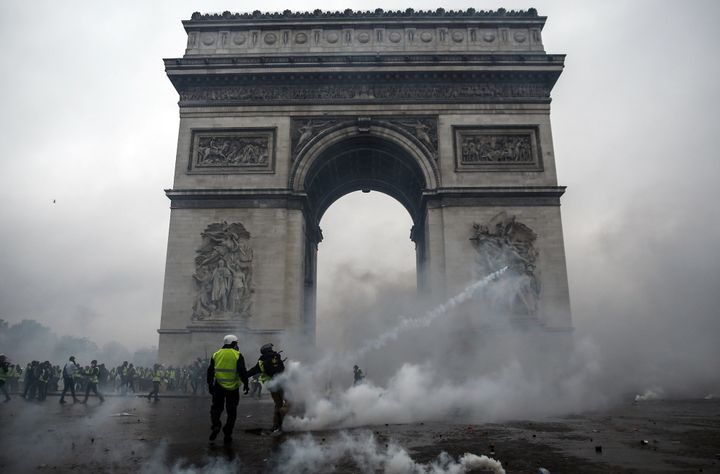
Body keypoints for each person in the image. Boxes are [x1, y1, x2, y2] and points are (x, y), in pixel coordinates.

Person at [206, 334, 248, 444]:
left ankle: (216, 425)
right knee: (231, 412)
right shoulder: (237, 355)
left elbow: (210, 372)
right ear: (234, 343)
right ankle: (228, 433)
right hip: (233, 388)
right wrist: (246, 384)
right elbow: (242, 372)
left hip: (218, 386)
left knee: (215, 409)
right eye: (236, 343)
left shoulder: (216, 354)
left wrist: (210, 385)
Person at [247, 343, 287, 435]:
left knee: (278, 404)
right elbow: (283, 370)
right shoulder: (277, 358)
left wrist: (242, 375)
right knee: (288, 402)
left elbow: (252, 371)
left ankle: (276, 425)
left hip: (272, 386)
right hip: (282, 384)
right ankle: (280, 421)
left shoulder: (261, 362)